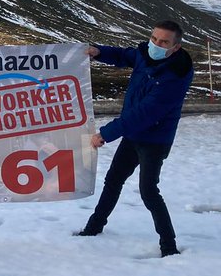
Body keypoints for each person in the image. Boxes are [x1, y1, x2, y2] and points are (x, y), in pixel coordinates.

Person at [76, 20, 194, 257]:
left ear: (176, 47)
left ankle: (168, 246)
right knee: (113, 180)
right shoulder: (145, 55)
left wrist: (106, 134)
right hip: (132, 135)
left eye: (164, 42)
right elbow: (126, 55)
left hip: (155, 140)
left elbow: (145, 114)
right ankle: (94, 227)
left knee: (149, 191)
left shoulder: (174, 76)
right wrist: (99, 52)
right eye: (154, 38)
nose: (156, 44)